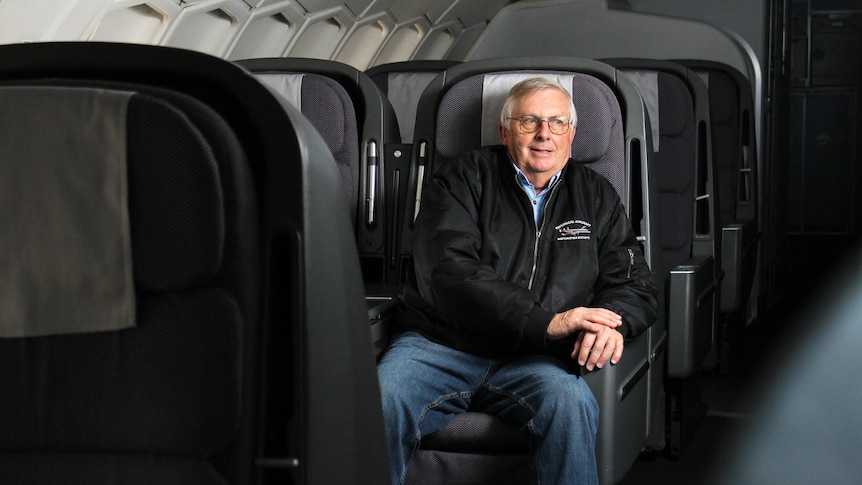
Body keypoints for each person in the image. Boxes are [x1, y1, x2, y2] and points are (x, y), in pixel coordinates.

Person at [377, 77, 659, 485]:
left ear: (572, 134)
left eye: (558, 123)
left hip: (536, 358)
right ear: (505, 130)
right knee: (382, 400)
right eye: (530, 121)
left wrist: (611, 321)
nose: (545, 134)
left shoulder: (596, 195)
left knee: (569, 403)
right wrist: (547, 322)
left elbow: (635, 281)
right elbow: (449, 273)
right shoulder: (461, 179)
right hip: (440, 343)